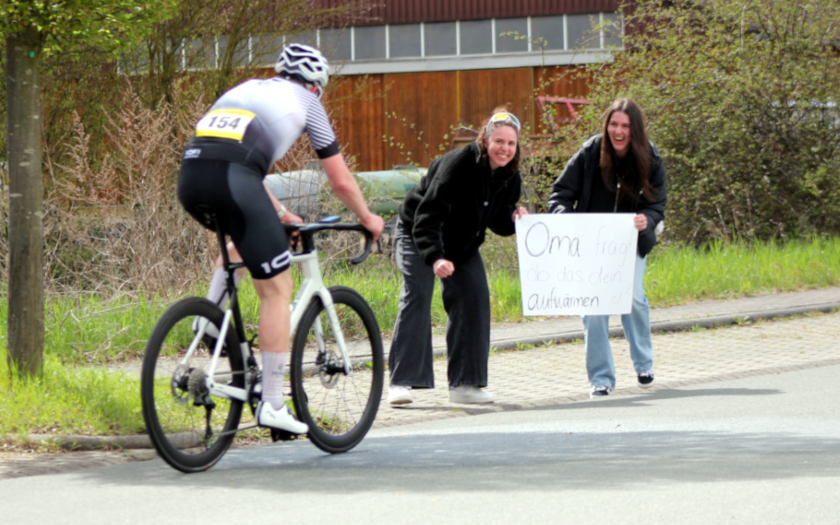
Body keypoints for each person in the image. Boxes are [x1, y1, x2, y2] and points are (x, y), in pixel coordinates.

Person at [178, 43, 384, 433]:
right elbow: (339, 179)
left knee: (239, 246)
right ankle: (273, 402)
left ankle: (209, 319)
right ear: (316, 85)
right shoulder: (308, 104)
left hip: (191, 181)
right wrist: (368, 217)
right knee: (277, 287)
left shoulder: (243, 89)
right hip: (234, 183)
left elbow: (233, 163)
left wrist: (282, 215)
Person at [387, 108, 528, 405]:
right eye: (499, 141)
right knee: (418, 293)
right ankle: (401, 382)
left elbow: (497, 219)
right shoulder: (458, 165)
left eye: (511, 144)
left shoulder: (509, 176)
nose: (504, 148)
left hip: (462, 243)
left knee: (475, 296)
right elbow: (427, 215)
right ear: (485, 140)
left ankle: (465, 385)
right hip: (418, 232)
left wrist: (514, 218)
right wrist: (435, 257)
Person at [547, 98, 666, 398]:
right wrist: (568, 222)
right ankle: (601, 379)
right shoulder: (589, 152)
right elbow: (559, 195)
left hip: (630, 243)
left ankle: (644, 364)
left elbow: (657, 205)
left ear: (634, 130)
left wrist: (647, 220)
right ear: (607, 126)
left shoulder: (651, 158)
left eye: (625, 126)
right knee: (594, 310)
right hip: (590, 247)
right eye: (614, 124)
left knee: (634, 299)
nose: (618, 131)